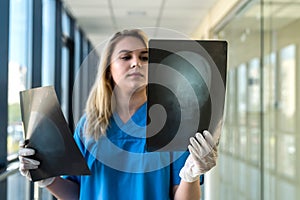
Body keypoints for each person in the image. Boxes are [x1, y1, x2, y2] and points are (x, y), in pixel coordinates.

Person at [19, 29, 218, 200]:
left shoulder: (172, 125)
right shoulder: (88, 126)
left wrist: (190, 176)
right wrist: (47, 178)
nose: (136, 63)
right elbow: (76, 193)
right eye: (125, 57)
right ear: (108, 69)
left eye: (144, 57)